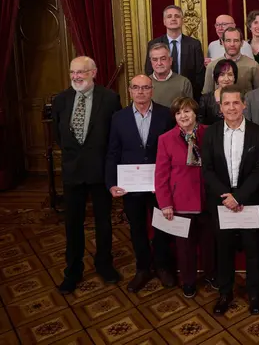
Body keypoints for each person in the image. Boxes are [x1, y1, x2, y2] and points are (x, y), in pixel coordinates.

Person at [52, 57, 122, 294]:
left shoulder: (110, 98)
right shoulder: (60, 100)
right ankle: (73, 270)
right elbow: (59, 136)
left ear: (94, 72)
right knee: (72, 224)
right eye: (73, 72)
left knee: (103, 222)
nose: (76, 77)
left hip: (100, 170)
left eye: (81, 72)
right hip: (73, 171)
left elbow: (115, 136)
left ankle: (104, 264)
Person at [202, 85, 259, 316]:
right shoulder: (210, 133)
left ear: (244, 105)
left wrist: (239, 197)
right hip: (221, 202)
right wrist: (227, 197)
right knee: (224, 249)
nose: (231, 107)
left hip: (249, 200)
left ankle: (253, 293)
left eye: (235, 103)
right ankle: (225, 292)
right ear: (220, 107)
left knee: (253, 250)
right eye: (226, 103)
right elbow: (207, 170)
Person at [105, 75, 175, 293]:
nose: (141, 92)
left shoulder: (166, 115)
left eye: (145, 87)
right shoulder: (119, 118)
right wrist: (111, 183)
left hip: (159, 184)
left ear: (152, 90)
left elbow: (173, 151)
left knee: (162, 226)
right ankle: (143, 268)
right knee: (137, 228)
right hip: (131, 185)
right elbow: (113, 152)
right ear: (130, 91)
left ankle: (163, 266)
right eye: (136, 88)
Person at [155, 97, 214, 298]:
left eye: (187, 111)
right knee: (185, 248)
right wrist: (165, 204)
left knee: (209, 244)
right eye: (179, 113)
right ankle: (188, 281)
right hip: (181, 202)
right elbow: (161, 176)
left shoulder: (210, 133)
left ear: (195, 113)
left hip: (208, 200)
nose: (183, 116)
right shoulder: (166, 139)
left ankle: (211, 275)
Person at [145, 5, 205, 99]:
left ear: (182, 20)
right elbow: (149, 71)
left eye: (177, 16)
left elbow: (200, 74)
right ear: (164, 21)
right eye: (169, 16)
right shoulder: (154, 43)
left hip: (187, 96)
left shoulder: (194, 44)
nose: (173, 19)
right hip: (161, 95)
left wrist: (189, 94)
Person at [203, 27, 259, 94]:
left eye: (236, 40)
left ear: (242, 43)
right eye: (228, 40)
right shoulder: (212, 66)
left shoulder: (253, 65)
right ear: (222, 42)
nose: (232, 44)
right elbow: (206, 96)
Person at [148, 43, 194, 108]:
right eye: (155, 60)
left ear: (170, 60)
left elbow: (189, 110)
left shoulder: (184, 82)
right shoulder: (145, 83)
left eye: (163, 59)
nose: (159, 63)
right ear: (151, 62)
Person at [199, 59, 238, 125]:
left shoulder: (242, 98)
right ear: (216, 77)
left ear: (234, 78)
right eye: (222, 75)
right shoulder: (206, 99)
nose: (226, 79)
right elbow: (201, 124)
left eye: (230, 74)